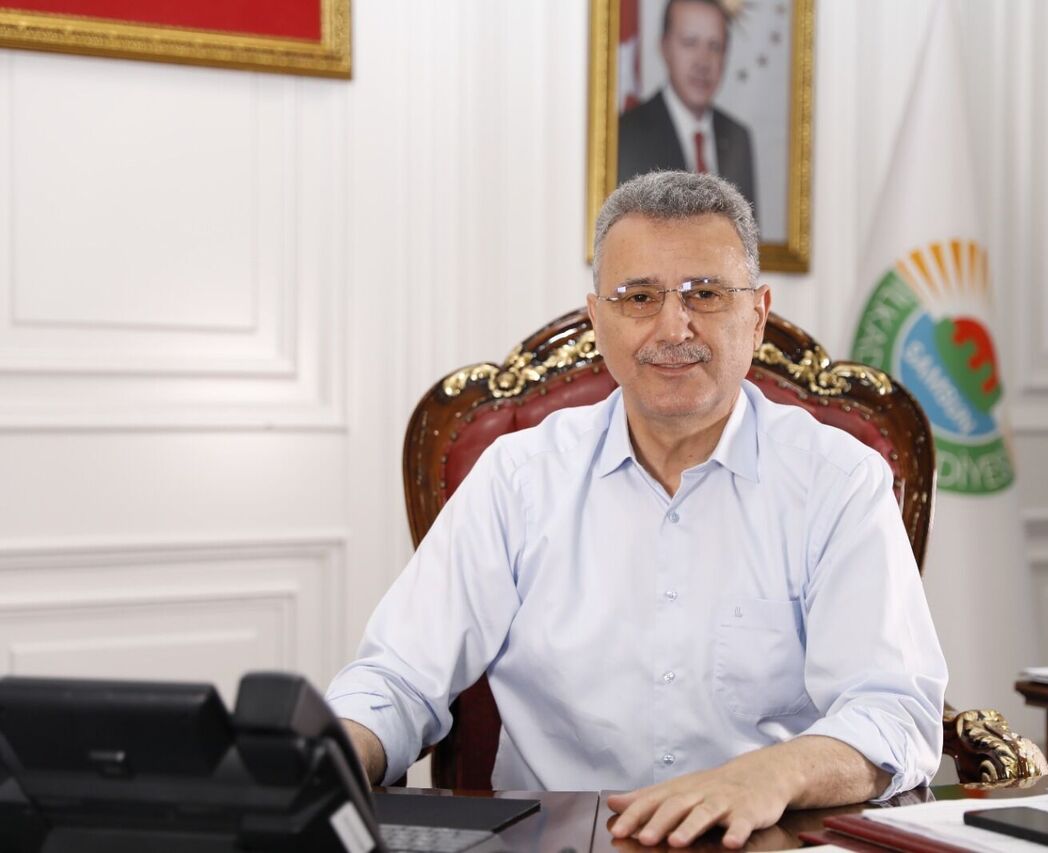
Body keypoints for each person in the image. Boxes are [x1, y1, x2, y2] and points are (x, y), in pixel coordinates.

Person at [326, 171, 947, 848]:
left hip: (762, 838)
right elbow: (399, 677)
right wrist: (334, 755)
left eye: (705, 293)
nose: (673, 326)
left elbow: (894, 712)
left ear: (758, 314)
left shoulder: (838, 481)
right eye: (639, 297)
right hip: (556, 842)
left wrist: (773, 774)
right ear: (598, 320)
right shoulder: (518, 477)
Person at [618, 0, 757, 211]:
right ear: (664, 47)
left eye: (715, 46)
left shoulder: (738, 137)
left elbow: (749, 229)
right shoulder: (627, 135)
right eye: (690, 42)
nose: (703, 62)